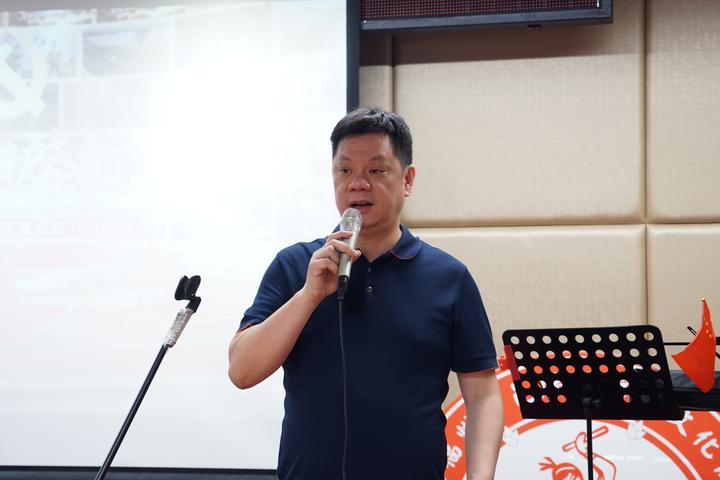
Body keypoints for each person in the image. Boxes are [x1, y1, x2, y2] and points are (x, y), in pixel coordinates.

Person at [228, 108, 503, 480]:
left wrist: (480, 477)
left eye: (376, 170)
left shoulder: (449, 277)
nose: (357, 184)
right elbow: (242, 371)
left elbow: (483, 395)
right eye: (344, 171)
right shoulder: (295, 265)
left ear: (407, 180)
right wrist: (309, 296)